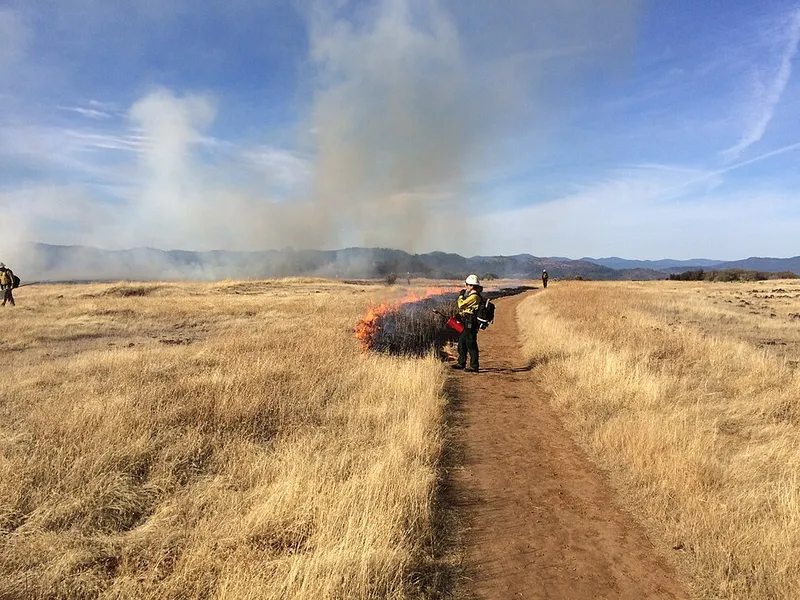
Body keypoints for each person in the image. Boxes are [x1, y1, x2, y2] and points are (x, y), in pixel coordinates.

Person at [452, 274, 483, 373]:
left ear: (472, 286)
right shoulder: (472, 296)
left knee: (471, 343)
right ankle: (461, 363)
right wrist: (460, 315)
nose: (465, 287)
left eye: (467, 285)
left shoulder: (474, 296)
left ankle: (474, 366)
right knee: (462, 342)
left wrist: (460, 296)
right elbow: (468, 309)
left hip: (471, 323)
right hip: (467, 321)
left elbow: (461, 304)